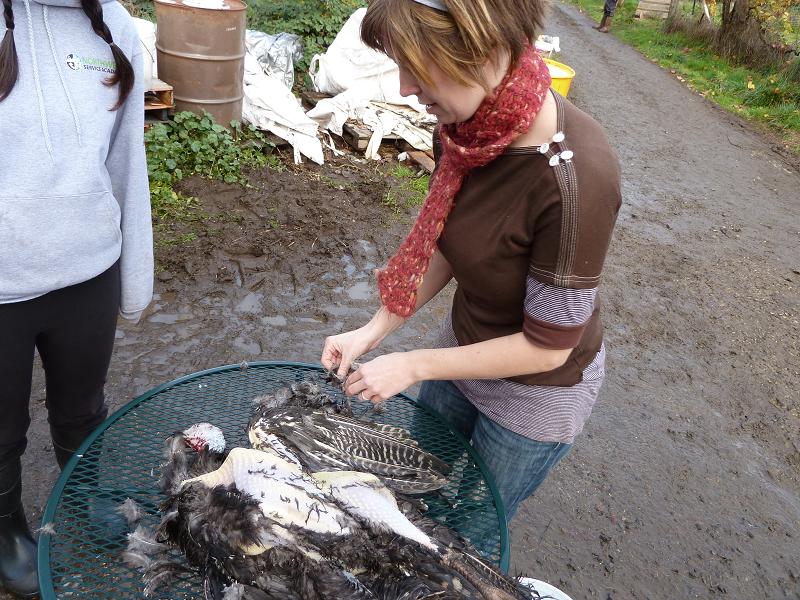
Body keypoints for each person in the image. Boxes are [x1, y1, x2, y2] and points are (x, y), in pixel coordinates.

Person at [321, 0, 621, 529]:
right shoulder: (467, 133)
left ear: (480, 48)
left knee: (472, 527)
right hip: (461, 352)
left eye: (415, 65)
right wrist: (373, 331)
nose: (404, 88)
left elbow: (547, 348)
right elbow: (450, 245)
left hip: (535, 396)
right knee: (416, 493)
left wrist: (414, 365)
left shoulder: (576, 178)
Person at [0, 0, 153, 596]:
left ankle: (86, 494)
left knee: (83, 408)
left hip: (89, 270)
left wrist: (134, 278)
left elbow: (125, 156)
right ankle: (5, 533)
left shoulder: (111, 24)